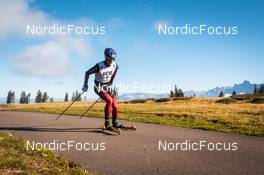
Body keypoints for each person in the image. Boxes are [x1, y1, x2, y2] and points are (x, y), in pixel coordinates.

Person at [82, 48, 123, 129]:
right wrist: (85, 85)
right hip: (98, 86)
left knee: (115, 106)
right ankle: (107, 123)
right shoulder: (99, 66)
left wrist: (110, 83)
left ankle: (114, 122)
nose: (111, 61)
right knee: (109, 101)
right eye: (109, 59)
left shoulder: (115, 65)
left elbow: (114, 73)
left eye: (113, 59)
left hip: (108, 86)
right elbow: (87, 73)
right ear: (105, 57)